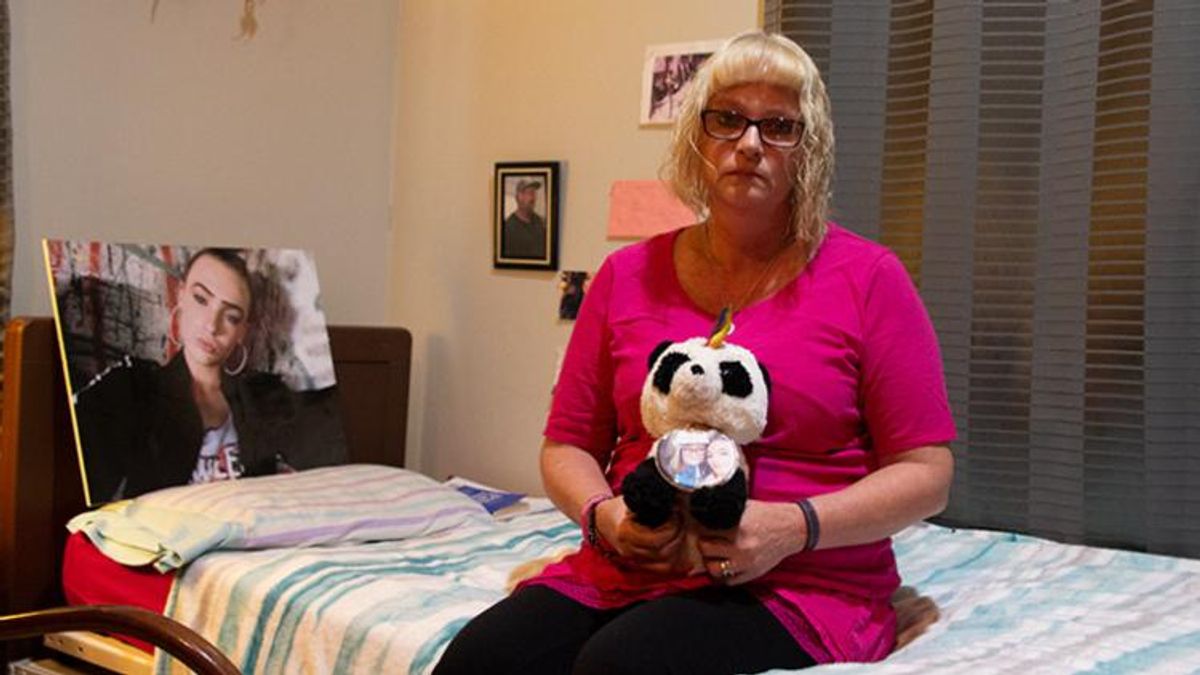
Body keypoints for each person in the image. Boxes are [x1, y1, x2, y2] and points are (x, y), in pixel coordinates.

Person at [435, 30, 955, 675]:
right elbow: (567, 445)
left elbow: (927, 473)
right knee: (478, 660)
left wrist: (793, 527)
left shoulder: (869, 278)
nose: (750, 144)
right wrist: (603, 519)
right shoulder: (625, 276)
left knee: (622, 665)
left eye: (778, 127)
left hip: (801, 581)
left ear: (809, 150)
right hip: (629, 566)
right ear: (697, 139)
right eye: (728, 119)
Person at [71, 248, 345, 504]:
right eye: (201, 299)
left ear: (242, 331)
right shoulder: (135, 386)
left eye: (231, 316)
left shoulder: (262, 396)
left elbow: (325, 462)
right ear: (181, 296)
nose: (212, 326)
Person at [501, 178, 547, 259]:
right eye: (530, 193)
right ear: (519, 197)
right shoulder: (508, 228)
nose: (533, 198)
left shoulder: (540, 222)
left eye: (534, 193)